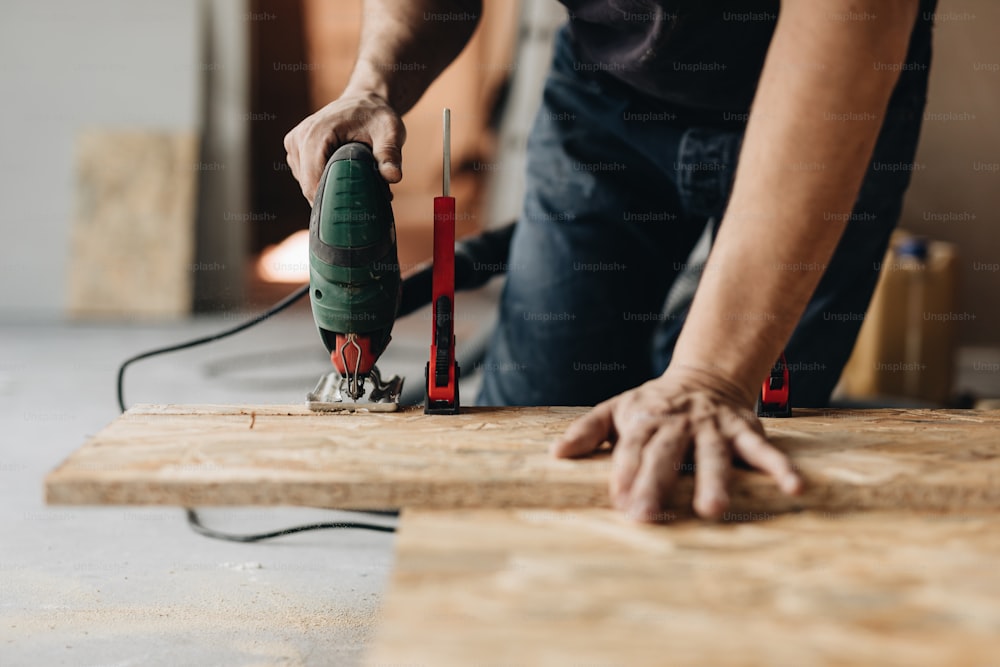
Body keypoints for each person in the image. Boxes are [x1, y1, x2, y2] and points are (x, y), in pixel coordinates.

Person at [285, 0, 936, 522]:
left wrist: (710, 377)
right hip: (609, 82)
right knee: (535, 445)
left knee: (734, 463)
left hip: (825, 89)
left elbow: (855, 14)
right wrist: (372, 81)